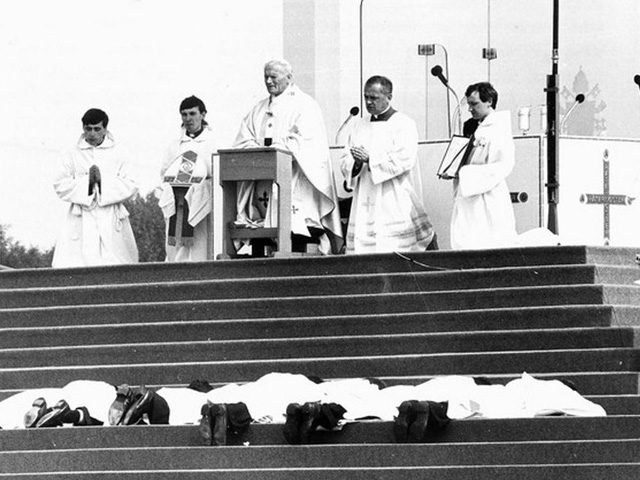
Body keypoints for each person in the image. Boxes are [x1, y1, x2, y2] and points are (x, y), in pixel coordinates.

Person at [233, 59, 343, 255]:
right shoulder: (258, 109)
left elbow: (308, 141)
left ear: (289, 78)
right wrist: (258, 151)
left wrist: (279, 149)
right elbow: (243, 138)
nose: (268, 81)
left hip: (295, 180)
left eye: (273, 76)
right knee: (265, 228)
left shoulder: (305, 105)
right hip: (264, 180)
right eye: (265, 76)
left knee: (295, 228)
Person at [340, 75, 436, 253]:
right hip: (365, 194)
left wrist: (371, 159)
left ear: (389, 97)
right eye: (366, 97)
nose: (368, 102)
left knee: (394, 248)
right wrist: (355, 163)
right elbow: (345, 157)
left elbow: (405, 158)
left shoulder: (404, 124)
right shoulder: (358, 125)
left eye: (374, 98)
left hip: (393, 195)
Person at [52, 108, 139, 267]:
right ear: (83, 128)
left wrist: (103, 182)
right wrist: (88, 184)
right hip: (81, 214)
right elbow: (60, 184)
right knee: (76, 262)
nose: (92, 133)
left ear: (105, 129)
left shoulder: (120, 153)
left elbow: (131, 184)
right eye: (88, 129)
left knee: (116, 260)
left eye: (97, 129)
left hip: (111, 214)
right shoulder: (71, 153)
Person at [450, 82, 517, 249]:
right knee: (466, 238)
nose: (470, 109)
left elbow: (504, 164)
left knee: (489, 238)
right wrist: (452, 169)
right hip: (468, 193)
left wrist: (467, 173)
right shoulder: (472, 126)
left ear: (489, 101)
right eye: (469, 104)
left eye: (474, 104)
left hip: (488, 193)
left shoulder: (499, 127)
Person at [158, 96, 216, 262]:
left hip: (202, 202)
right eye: (184, 114)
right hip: (178, 202)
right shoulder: (174, 144)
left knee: (200, 246)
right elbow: (164, 172)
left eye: (192, 113)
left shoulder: (213, 142)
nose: (188, 119)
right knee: (176, 249)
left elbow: (217, 171)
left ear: (203, 114)